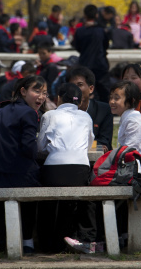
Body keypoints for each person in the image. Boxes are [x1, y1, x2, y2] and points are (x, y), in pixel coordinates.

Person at [0, 76, 47, 255]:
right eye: (37, 91)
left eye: (44, 93)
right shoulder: (29, 113)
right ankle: (28, 242)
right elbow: (29, 147)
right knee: (33, 191)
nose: (41, 97)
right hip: (20, 175)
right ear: (23, 91)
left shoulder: (0, 111)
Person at [37, 83, 96, 253]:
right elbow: (88, 145)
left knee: (47, 203)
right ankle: (70, 238)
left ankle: (46, 244)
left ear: (59, 99)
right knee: (74, 202)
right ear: (80, 101)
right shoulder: (86, 117)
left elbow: (40, 147)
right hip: (80, 169)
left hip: (54, 170)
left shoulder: (49, 115)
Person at [109, 81, 141, 179]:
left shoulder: (133, 120)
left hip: (140, 173)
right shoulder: (128, 117)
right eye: (110, 97)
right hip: (132, 169)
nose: (112, 101)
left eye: (116, 98)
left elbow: (129, 149)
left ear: (131, 101)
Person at [66, 66, 113, 152]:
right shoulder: (60, 112)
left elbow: (104, 143)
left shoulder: (103, 110)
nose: (76, 89)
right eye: (72, 85)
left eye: (80, 85)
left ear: (91, 89)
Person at [72, 4, 110, 103]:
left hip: (85, 64)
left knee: (85, 91)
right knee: (104, 91)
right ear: (97, 15)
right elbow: (106, 45)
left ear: (85, 15)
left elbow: (77, 46)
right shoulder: (101, 30)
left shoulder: (79, 31)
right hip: (100, 64)